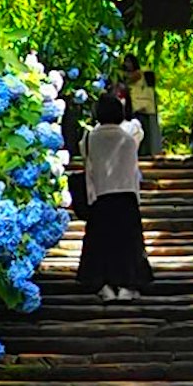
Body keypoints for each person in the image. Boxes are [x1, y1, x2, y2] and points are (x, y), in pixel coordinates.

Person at [73, 86, 152, 297]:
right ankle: (127, 284)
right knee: (127, 243)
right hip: (126, 195)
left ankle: (103, 284)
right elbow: (138, 130)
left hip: (100, 196)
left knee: (101, 243)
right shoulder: (128, 138)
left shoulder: (89, 139)